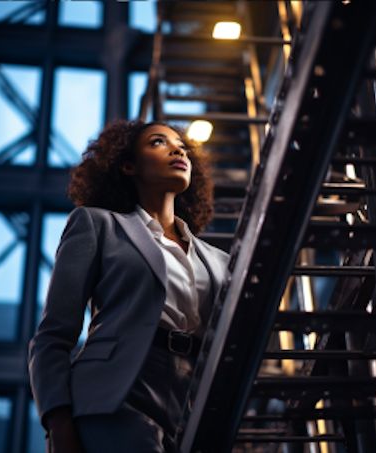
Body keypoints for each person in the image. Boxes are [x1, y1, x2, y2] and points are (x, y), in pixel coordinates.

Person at [28, 120, 229, 453]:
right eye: (158, 143)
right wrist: (58, 423)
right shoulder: (96, 224)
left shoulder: (218, 260)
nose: (177, 149)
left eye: (181, 145)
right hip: (117, 394)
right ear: (128, 165)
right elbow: (52, 335)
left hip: (191, 402)